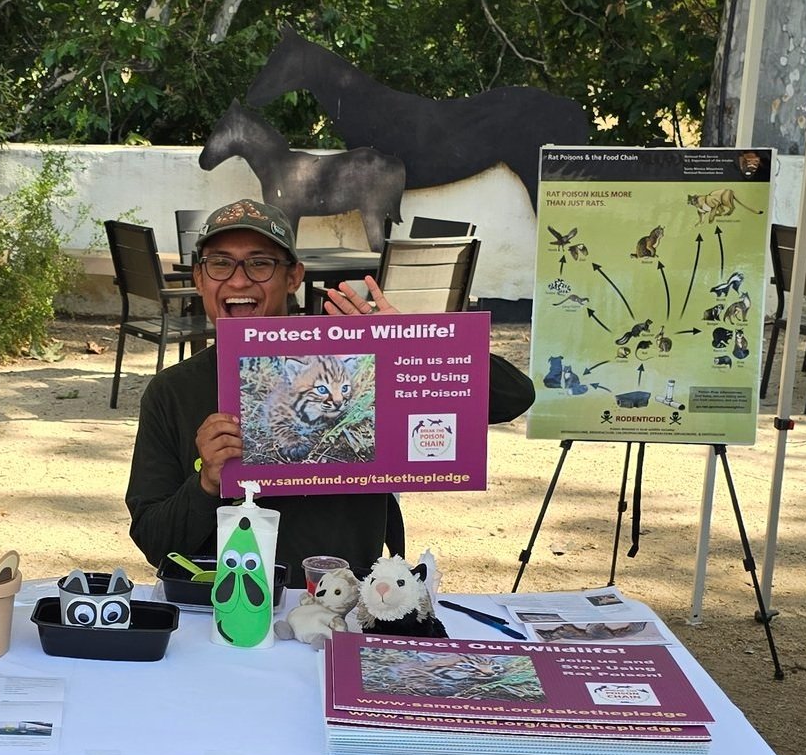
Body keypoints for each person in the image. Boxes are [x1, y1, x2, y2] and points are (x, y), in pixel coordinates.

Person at [125, 199, 534, 583]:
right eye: (220, 264)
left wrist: (407, 343)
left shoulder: (357, 360)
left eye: (260, 263)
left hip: (349, 599)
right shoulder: (171, 392)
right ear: (199, 277)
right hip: (227, 606)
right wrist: (207, 483)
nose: (238, 279)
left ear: (293, 277)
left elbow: (514, 396)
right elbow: (156, 543)